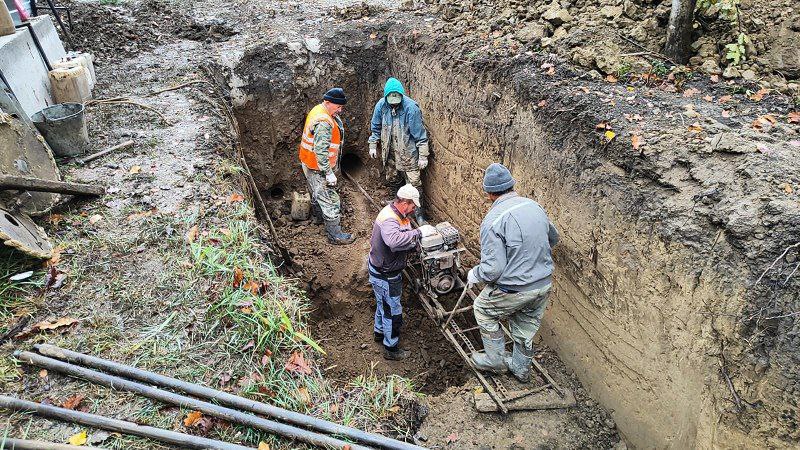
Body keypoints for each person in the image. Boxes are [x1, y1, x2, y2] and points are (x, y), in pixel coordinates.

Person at [466, 163, 560, 382]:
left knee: (483, 309)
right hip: (543, 284)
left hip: (515, 289)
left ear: (489, 193)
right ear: (511, 185)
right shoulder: (534, 206)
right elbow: (553, 238)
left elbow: (493, 269)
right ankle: (520, 368)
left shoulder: (492, 221)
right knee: (526, 325)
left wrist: (476, 274)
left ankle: (495, 361)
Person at [368, 184, 436, 360]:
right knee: (393, 311)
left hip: (380, 267)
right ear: (405, 202)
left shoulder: (397, 213)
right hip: (386, 274)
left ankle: (379, 333)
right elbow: (394, 242)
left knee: (382, 303)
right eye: (413, 206)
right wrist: (419, 233)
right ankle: (391, 349)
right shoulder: (391, 219)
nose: (414, 210)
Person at [368, 78, 431, 224]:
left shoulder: (411, 108)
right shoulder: (381, 106)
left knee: (414, 183)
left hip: (408, 154)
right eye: (391, 100)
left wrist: (423, 155)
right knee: (393, 179)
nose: (394, 103)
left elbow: (420, 135)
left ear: (402, 96)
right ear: (386, 97)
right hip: (390, 152)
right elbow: (376, 127)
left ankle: (420, 215)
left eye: (397, 99)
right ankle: (397, 205)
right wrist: (372, 143)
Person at [298, 87, 355, 245]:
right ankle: (335, 235)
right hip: (318, 168)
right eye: (338, 107)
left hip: (309, 163)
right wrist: (328, 172)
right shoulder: (324, 122)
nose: (340, 110)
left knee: (316, 192)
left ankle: (318, 218)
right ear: (328, 103)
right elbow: (321, 151)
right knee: (330, 200)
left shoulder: (318, 110)